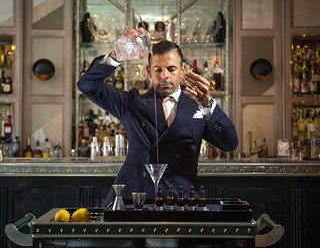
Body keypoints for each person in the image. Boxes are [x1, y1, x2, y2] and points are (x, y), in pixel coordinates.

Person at [77, 26, 238, 207]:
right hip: (134, 197)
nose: (164, 76)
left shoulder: (198, 106)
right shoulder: (131, 103)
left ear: (183, 69)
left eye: (171, 69)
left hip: (180, 199)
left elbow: (229, 143)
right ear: (148, 71)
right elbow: (86, 85)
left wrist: (209, 104)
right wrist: (117, 55)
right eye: (158, 70)